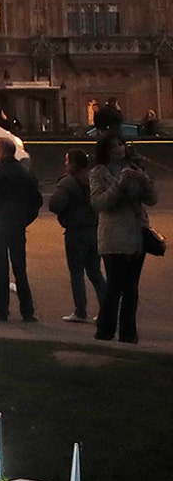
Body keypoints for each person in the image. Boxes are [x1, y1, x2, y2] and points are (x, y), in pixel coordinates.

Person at [90, 132, 157, 343]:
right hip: (113, 237)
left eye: (121, 144)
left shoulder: (134, 168)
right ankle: (105, 330)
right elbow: (99, 203)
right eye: (114, 146)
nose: (119, 149)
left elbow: (152, 199)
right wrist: (120, 184)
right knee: (114, 286)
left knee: (131, 289)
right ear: (106, 151)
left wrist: (144, 179)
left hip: (136, 234)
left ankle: (129, 333)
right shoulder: (98, 172)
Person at [0, 136, 42, 322]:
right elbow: (37, 201)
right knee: (20, 269)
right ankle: (27, 310)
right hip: (17, 226)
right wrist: (24, 220)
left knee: (0, 269)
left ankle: (1, 309)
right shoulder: (25, 173)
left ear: (1, 152)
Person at [49, 148, 106, 324]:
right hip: (94, 229)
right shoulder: (94, 180)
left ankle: (80, 311)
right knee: (95, 272)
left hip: (75, 231)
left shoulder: (67, 183)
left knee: (76, 273)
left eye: (67, 161)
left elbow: (55, 204)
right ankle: (107, 309)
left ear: (73, 164)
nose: (65, 164)